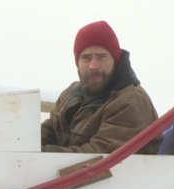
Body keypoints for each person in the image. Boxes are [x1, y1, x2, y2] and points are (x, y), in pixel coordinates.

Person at [41, 21, 162, 154]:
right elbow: (46, 133)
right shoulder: (70, 95)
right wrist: (21, 146)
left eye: (101, 57)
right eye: (86, 58)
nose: (93, 65)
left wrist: (40, 155)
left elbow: (99, 159)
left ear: (115, 60)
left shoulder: (130, 101)